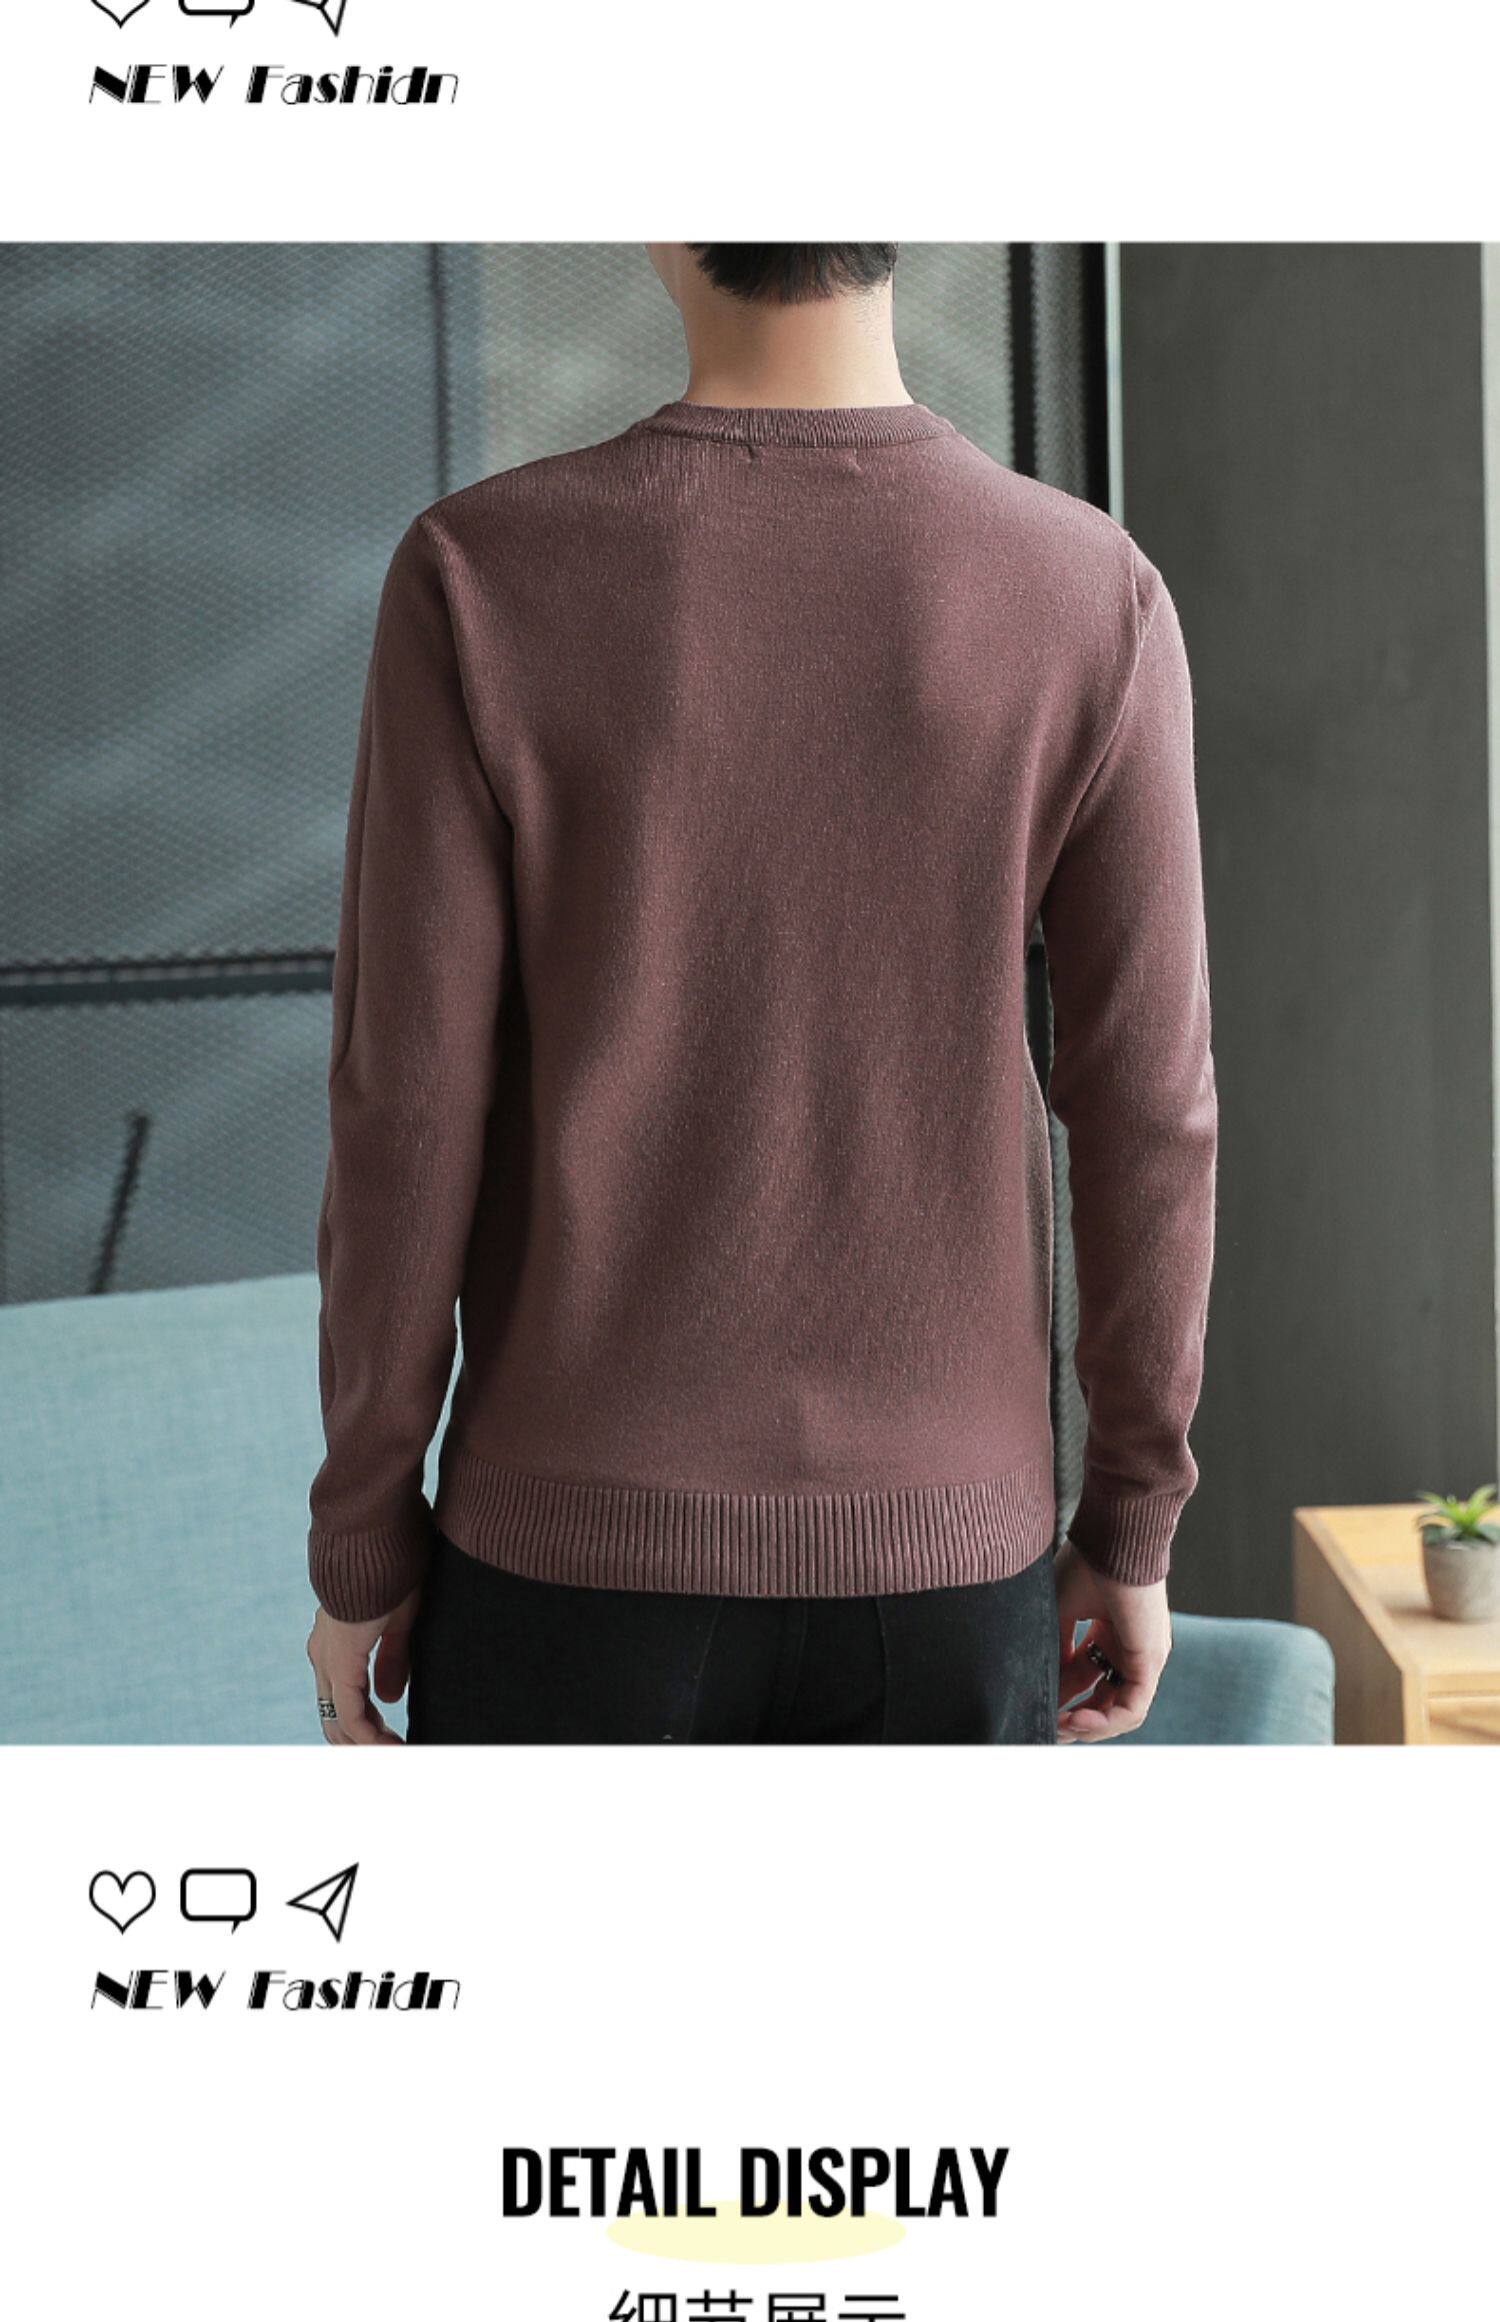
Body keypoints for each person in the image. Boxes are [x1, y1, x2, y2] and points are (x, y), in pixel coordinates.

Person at [304, 242, 1217, 1746]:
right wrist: (1131, 1515)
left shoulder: (480, 572)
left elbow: (404, 1105)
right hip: (949, 1563)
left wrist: (362, 1533)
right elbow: (1151, 1109)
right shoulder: (1088, 591)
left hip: (562, 1563)